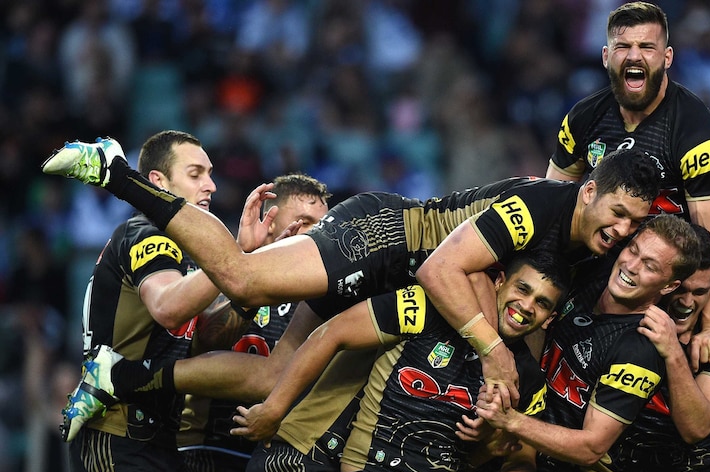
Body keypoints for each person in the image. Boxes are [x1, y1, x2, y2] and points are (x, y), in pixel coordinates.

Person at [42, 137, 662, 418]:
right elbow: (441, 264)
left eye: (634, 223)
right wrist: (496, 353)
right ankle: (116, 170)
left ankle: (122, 378)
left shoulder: (589, 252)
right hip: (385, 235)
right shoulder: (541, 206)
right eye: (617, 212)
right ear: (588, 191)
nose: (622, 230)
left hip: (399, 274)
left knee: (276, 377)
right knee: (242, 280)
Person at [232, 250, 570, 472]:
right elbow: (330, 333)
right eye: (522, 289)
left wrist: (485, 440)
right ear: (498, 282)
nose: (526, 306)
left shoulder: (524, 377)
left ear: (549, 318)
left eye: (541, 303)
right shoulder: (426, 304)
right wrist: (273, 410)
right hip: (313, 457)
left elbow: (500, 456)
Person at [546, 1, 710, 369]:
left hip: (663, 293)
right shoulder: (582, 118)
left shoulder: (699, 134)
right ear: (606, 56)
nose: (634, 56)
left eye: (646, 47)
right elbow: (554, 209)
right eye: (623, 47)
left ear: (666, 57)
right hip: (591, 281)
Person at [474, 214, 700, 472]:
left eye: (649, 266)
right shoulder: (592, 272)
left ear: (670, 285)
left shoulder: (640, 347)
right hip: (511, 448)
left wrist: (510, 420)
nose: (631, 266)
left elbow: (591, 448)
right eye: (633, 250)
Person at [61, 131, 221, 472]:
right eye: (196, 174)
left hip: (156, 442)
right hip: (118, 434)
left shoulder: (184, 257)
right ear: (157, 181)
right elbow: (167, 306)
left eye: (210, 174)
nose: (210, 185)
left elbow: (198, 338)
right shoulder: (149, 235)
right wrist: (234, 263)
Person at [178, 174, 331, 472]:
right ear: (269, 222)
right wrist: (254, 291)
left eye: (324, 225)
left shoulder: (326, 298)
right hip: (211, 448)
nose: (318, 233)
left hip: (283, 457)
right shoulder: (227, 272)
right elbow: (202, 341)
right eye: (305, 221)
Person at [588, 224, 710, 472]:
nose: (687, 303)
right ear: (665, 283)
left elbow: (697, 428)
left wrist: (673, 351)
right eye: (681, 290)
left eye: (700, 292)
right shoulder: (620, 326)